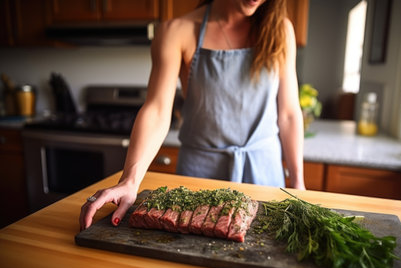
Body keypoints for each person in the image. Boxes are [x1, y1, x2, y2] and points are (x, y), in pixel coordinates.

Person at [79, 0, 305, 230]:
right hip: (200, 174)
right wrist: (130, 181)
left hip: (264, 172)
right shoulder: (177, 31)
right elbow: (157, 110)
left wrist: (298, 183)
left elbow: (288, 113)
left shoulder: (280, 29)